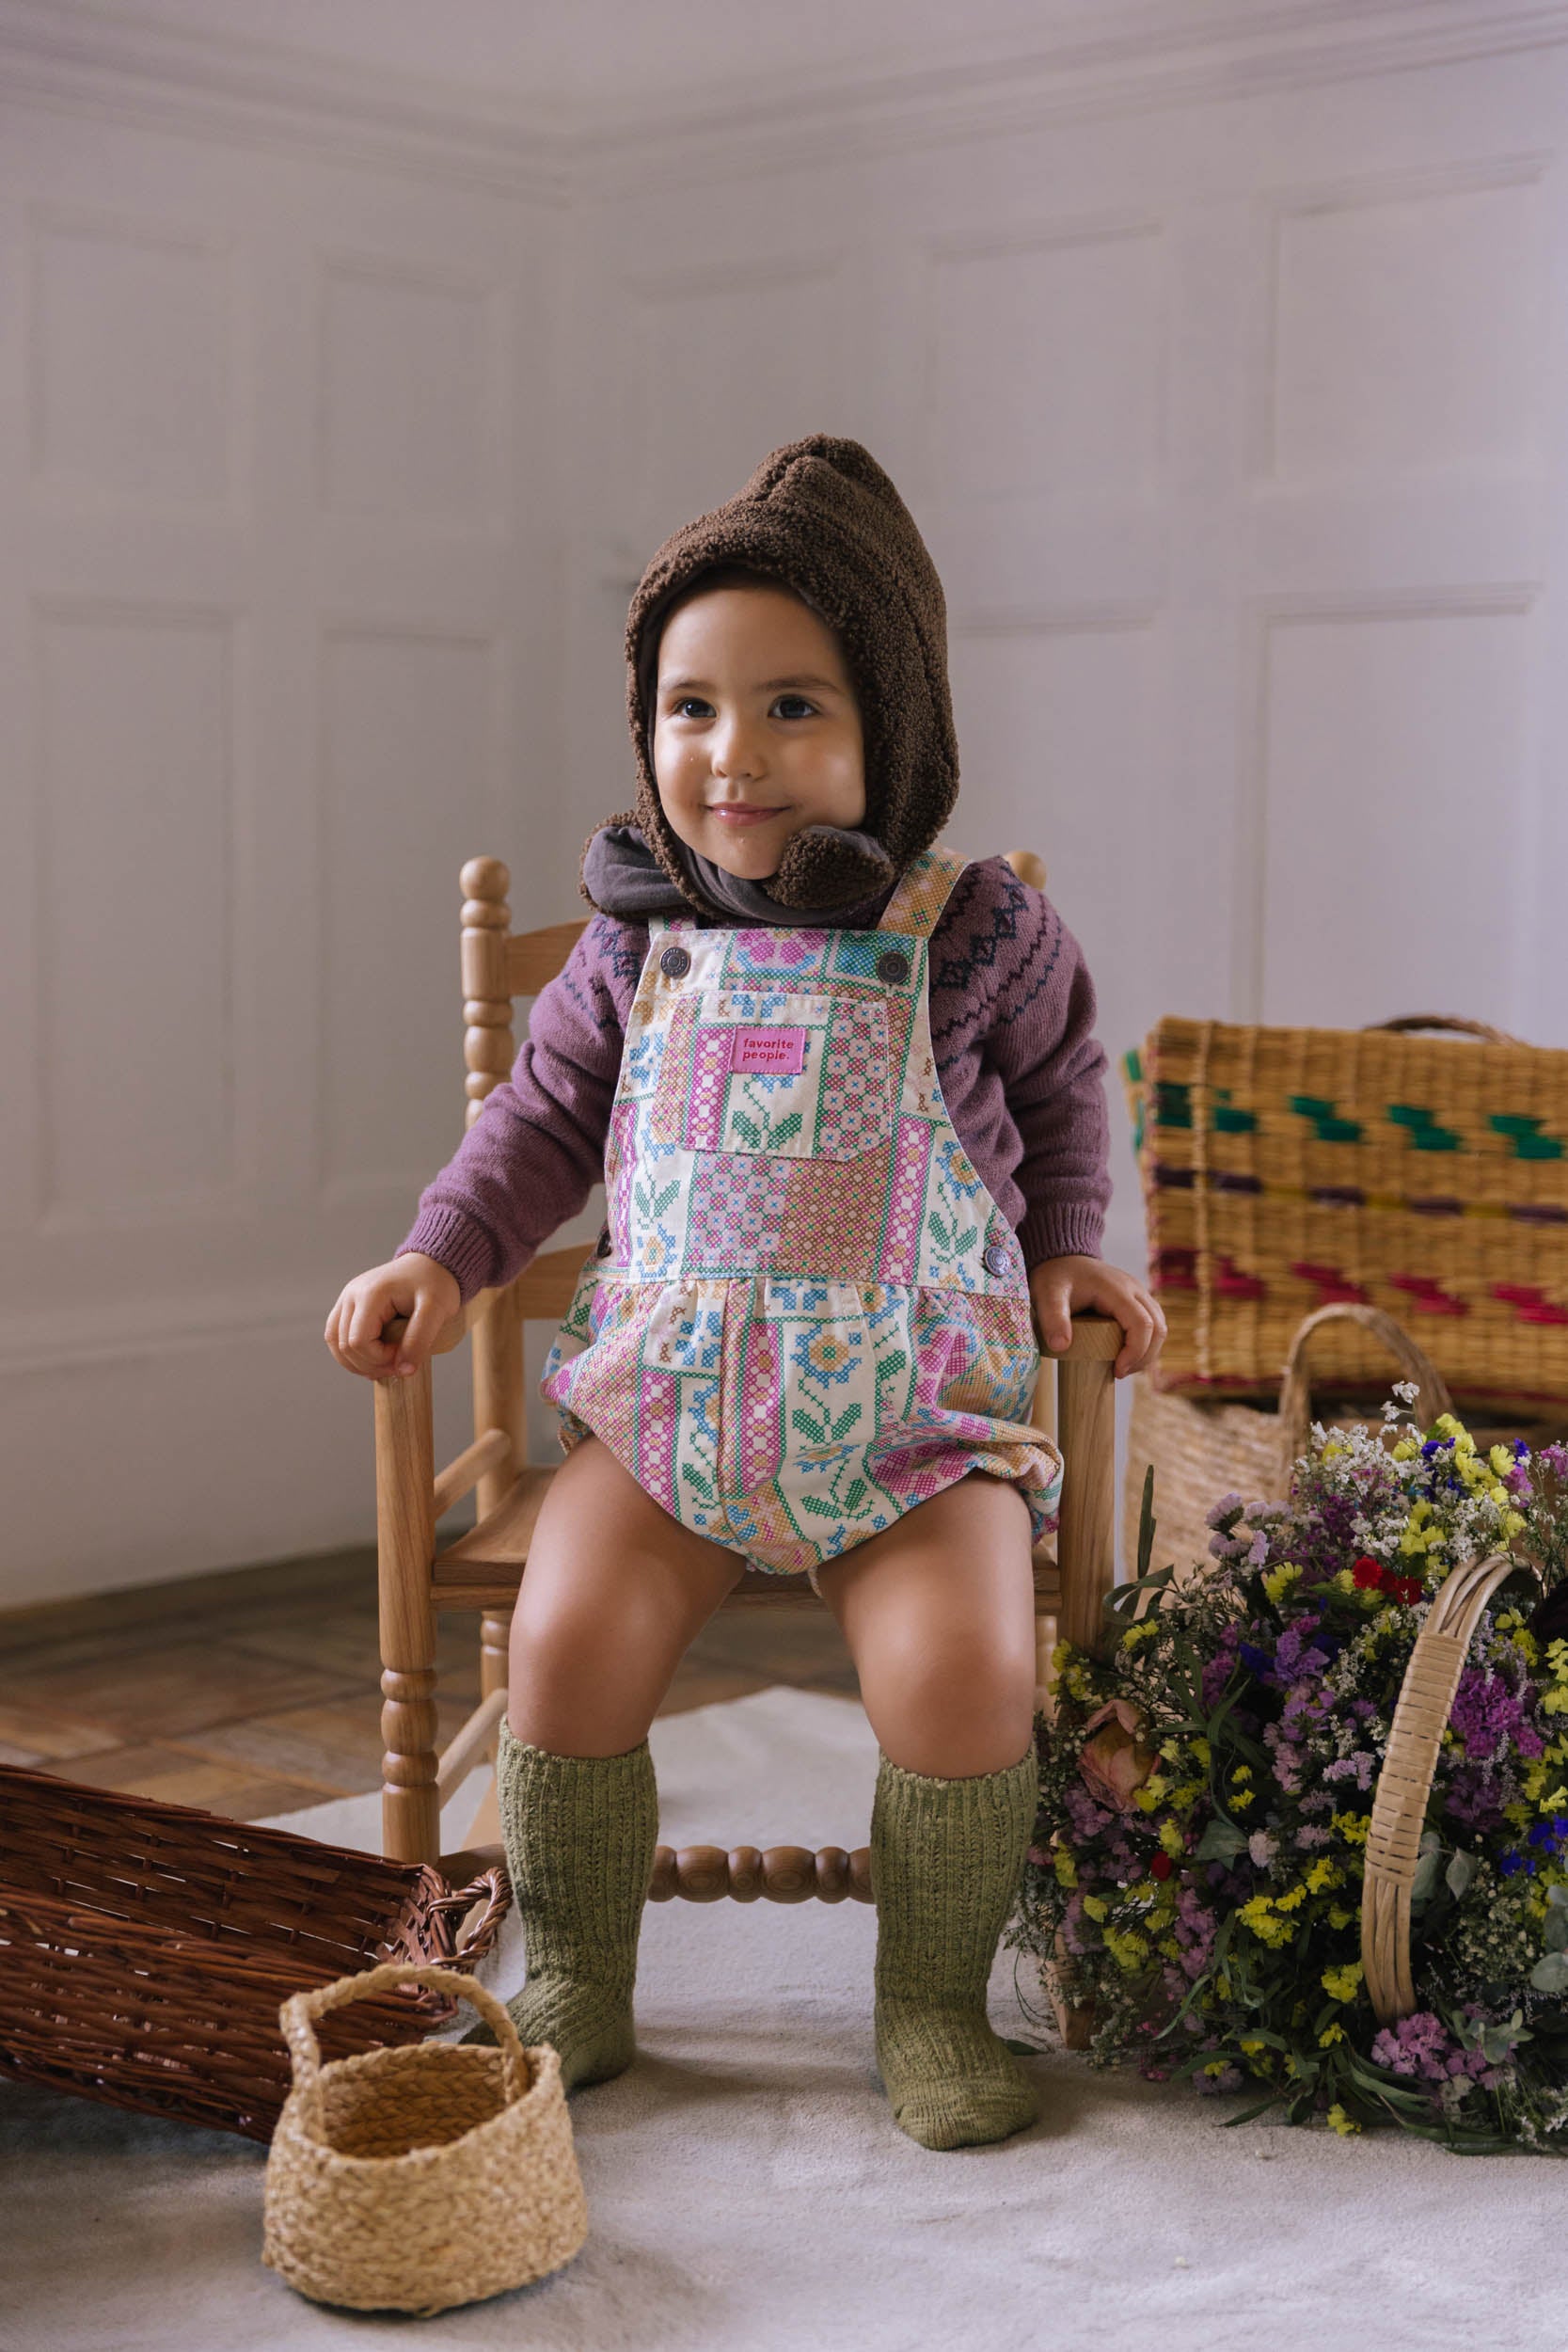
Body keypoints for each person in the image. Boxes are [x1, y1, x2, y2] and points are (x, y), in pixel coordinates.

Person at [325, 436, 1164, 2152]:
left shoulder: (969, 929)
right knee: (565, 1642)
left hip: (913, 1424)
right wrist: (440, 1252)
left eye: (795, 707)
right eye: (692, 707)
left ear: (892, 729)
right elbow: (538, 1125)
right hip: (671, 1413)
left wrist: (1070, 1246)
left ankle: (930, 2001)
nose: (735, 752)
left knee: (965, 1675)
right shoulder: (632, 938)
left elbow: (1068, 1089)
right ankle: (579, 1965)